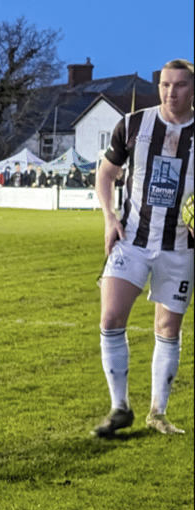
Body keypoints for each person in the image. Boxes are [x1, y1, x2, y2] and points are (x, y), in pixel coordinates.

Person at [93, 58, 194, 437]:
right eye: (166, 84)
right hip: (132, 239)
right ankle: (120, 407)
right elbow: (105, 173)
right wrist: (109, 216)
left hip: (181, 247)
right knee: (110, 317)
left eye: (181, 85)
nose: (172, 92)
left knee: (168, 327)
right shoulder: (134, 124)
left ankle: (157, 412)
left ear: (193, 89)